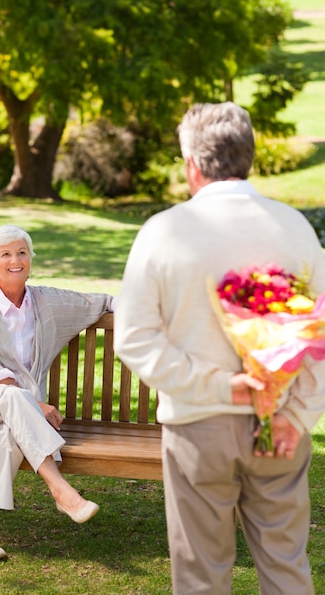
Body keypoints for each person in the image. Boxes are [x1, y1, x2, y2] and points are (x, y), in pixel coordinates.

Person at [114, 102, 325, 594]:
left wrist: (217, 388)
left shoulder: (163, 231)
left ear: (192, 164)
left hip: (197, 430)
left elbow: (135, 337)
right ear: (248, 155)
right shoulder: (295, 228)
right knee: (285, 567)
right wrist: (297, 415)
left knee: (201, 577)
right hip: (281, 426)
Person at [0, 224, 115, 561]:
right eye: (5, 254)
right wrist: (36, 405)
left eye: (22, 252)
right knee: (13, 398)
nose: (15, 260)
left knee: (8, 435)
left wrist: (143, 312)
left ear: (30, 258)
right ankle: (61, 491)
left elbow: (101, 301)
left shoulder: (45, 302)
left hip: (17, 413)